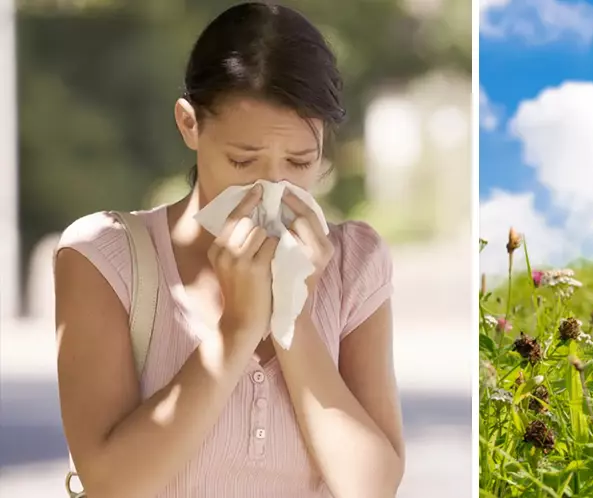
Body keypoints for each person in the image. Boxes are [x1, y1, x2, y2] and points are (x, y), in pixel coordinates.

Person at [53, 3, 404, 497]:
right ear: (189, 124)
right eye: (243, 161)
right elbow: (113, 486)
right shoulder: (105, 258)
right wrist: (237, 328)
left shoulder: (355, 263)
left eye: (300, 162)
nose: (272, 189)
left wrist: (292, 318)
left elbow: (370, 486)